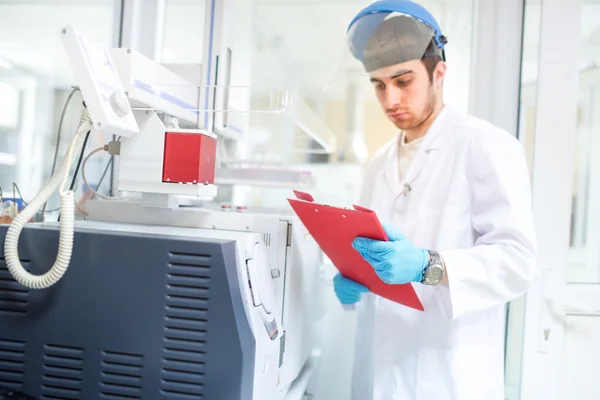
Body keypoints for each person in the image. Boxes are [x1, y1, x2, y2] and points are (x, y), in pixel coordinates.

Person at [332, 1, 539, 399]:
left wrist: (429, 266)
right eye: (378, 84)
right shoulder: (377, 164)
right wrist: (355, 277)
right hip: (380, 373)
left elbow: (519, 262)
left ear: (438, 73)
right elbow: (373, 252)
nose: (390, 98)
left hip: (449, 375)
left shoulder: (486, 146)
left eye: (403, 80)